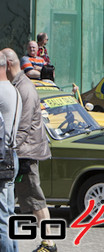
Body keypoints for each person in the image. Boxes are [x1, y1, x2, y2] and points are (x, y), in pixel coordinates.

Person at [3, 49, 52, 252]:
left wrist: (9, 150)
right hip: (22, 152)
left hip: (26, 154)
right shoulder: (17, 85)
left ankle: (49, 243)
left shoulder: (24, 88)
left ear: (7, 65)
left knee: (36, 201)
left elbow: (21, 128)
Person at [0, 52, 21, 252]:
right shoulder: (15, 90)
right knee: (9, 214)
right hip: (12, 155)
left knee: (1, 220)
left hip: (1, 158)